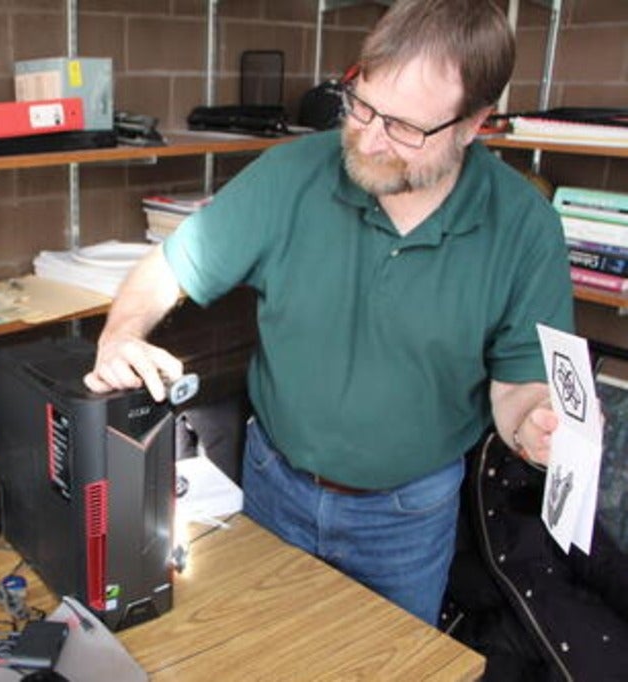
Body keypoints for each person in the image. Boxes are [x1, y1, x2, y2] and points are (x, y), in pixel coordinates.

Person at [84, 0, 574, 626]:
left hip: (409, 518)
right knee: (259, 652)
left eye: (404, 128)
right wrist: (120, 334)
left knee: (389, 666)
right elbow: (168, 268)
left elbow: (518, 386)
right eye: (361, 105)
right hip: (274, 484)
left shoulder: (524, 227)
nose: (368, 139)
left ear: (473, 124)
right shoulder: (292, 173)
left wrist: (535, 423)